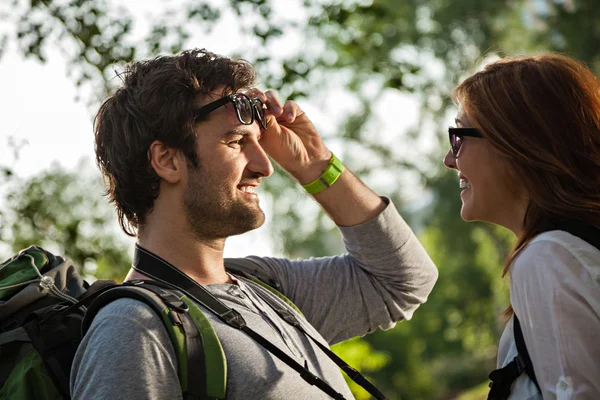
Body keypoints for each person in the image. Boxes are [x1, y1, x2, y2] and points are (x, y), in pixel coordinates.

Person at [69, 48, 438, 399]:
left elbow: (401, 281)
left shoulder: (265, 288)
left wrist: (315, 164)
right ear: (167, 160)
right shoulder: (133, 330)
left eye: (258, 142)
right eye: (236, 141)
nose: (265, 166)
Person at [444, 53, 600, 399]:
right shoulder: (572, 248)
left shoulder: (549, 258)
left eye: (459, 136)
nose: (450, 160)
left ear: (514, 143)